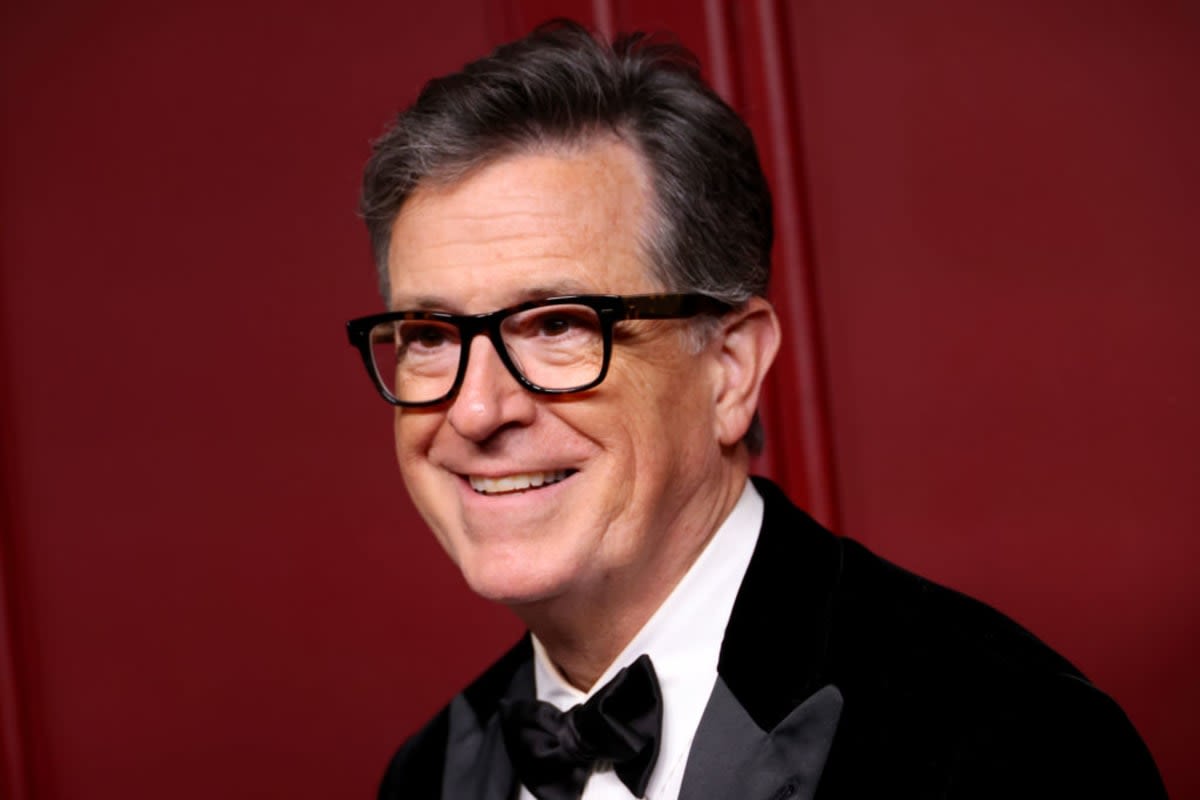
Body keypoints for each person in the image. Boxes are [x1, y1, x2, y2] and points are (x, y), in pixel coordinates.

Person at [345, 20, 1166, 800]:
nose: (477, 410)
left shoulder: (1015, 745)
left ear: (730, 369)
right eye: (431, 336)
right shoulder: (429, 774)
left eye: (558, 325)